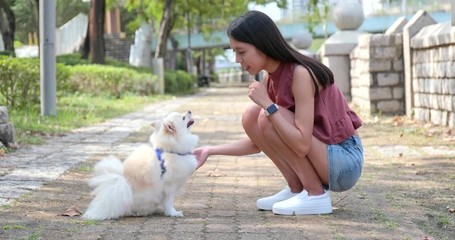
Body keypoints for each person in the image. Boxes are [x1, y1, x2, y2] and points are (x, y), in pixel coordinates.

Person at [192, 10, 364, 215]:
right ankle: (297, 189)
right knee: (251, 116)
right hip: (324, 155)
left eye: (241, 51)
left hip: (344, 161)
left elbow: (301, 144)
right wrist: (210, 150)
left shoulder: (300, 73)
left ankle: (315, 194)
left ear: (262, 45)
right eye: (234, 53)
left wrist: (268, 105)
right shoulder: (270, 77)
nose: (237, 59)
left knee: (267, 115)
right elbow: (261, 141)